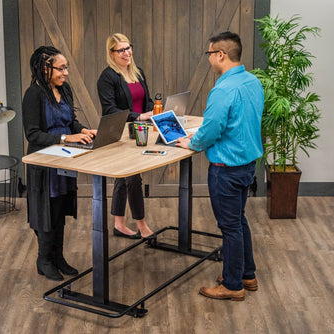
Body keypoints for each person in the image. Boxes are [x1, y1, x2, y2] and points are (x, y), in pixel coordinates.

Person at [176, 31, 263, 301]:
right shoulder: (252, 82)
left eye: (210, 54)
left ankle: (233, 285)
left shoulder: (223, 89)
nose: (209, 59)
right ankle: (247, 275)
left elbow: (213, 128)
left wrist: (193, 142)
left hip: (226, 169)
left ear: (220, 55)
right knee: (238, 221)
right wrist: (200, 136)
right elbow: (237, 121)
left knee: (230, 227)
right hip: (247, 165)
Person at [22, 46, 97, 281]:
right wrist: (66, 137)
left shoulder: (64, 89)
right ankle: (43, 260)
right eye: (61, 68)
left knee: (60, 209)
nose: (65, 73)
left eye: (66, 68)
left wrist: (83, 130)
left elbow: (70, 121)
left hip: (64, 159)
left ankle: (58, 257)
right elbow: (33, 134)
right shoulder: (33, 94)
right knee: (46, 210)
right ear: (45, 68)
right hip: (43, 163)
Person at [96, 33, 156, 240]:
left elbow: (146, 100)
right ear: (111, 53)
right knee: (133, 178)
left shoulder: (137, 73)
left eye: (128, 47)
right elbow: (110, 109)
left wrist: (152, 112)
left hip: (141, 131)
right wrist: (138, 116)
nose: (127, 53)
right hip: (120, 134)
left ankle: (118, 224)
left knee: (123, 178)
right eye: (121, 50)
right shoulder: (107, 77)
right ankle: (142, 224)